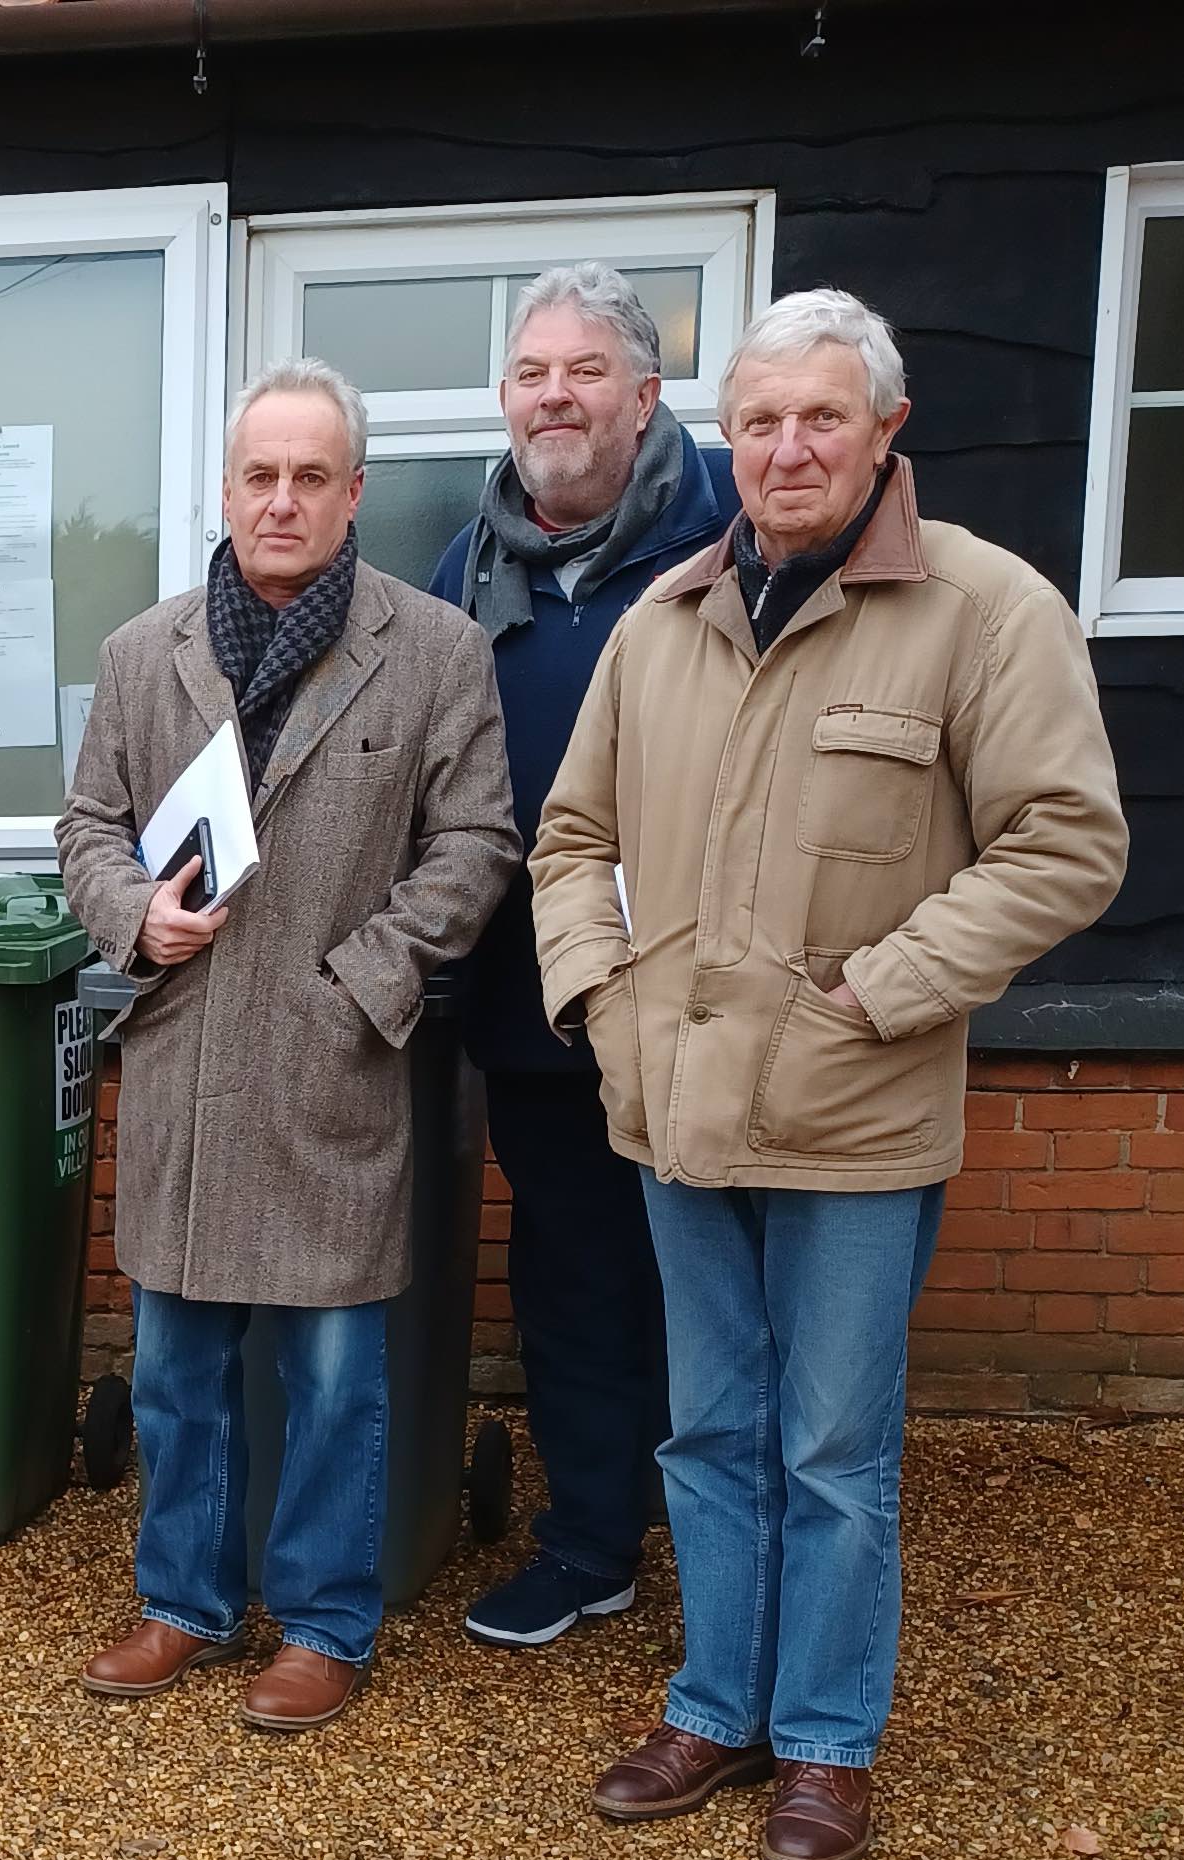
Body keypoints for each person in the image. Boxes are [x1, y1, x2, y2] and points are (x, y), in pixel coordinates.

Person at [535, 290, 1127, 1860]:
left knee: (830, 1452)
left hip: (855, 1120)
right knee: (706, 1434)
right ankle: (715, 1704)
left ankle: (822, 1744)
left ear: (883, 433)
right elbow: (570, 843)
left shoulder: (983, 611)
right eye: (758, 423)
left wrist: (884, 990)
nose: (784, 451)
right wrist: (598, 992)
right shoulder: (660, 622)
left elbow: (1065, 843)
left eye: (818, 419)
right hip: (675, 1112)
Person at [58, 360, 518, 1733]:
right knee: (177, 1368)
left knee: (331, 1380)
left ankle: (323, 1623)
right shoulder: (145, 655)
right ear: (224, 487)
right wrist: (132, 915)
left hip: (331, 1067)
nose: (281, 500)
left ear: (352, 493)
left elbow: (478, 843)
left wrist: (359, 982)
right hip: (188, 1060)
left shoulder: (432, 650)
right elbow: (83, 826)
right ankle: (181, 1603)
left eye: (310, 476)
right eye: (259, 474)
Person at [426, 265, 738, 1650]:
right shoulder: (463, 562)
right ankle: (594, 1544)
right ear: (505, 400)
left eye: (585, 370)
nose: (556, 396)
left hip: (714, 999)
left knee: (727, 1285)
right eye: (531, 374)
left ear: (645, 392)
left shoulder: (736, 527)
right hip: (538, 1002)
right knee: (571, 1279)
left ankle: (735, 1572)